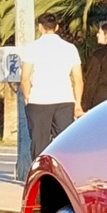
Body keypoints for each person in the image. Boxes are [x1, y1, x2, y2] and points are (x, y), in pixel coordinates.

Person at [17, 14, 84, 158]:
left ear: (40, 27)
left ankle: (40, 176)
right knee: (65, 142)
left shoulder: (31, 48)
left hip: (39, 100)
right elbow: (78, 79)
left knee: (39, 143)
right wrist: (77, 103)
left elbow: (25, 77)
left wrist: (28, 97)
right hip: (65, 100)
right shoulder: (70, 48)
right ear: (57, 27)